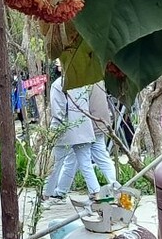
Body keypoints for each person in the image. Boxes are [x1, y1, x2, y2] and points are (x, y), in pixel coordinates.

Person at [42, 62, 101, 202]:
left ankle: (45, 194)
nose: (56, 63)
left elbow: (58, 111)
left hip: (65, 131)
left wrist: (55, 131)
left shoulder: (58, 84)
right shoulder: (82, 83)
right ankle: (95, 192)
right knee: (85, 163)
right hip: (83, 128)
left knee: (55, 164)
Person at [56, 81, 117, 194]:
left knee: (83, 162)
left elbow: (79, 105)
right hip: (100, 122)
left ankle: (95, 193)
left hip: (87, 126)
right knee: (102, 158)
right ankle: (116, 188)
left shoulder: (81, 80)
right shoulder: (97, 78)